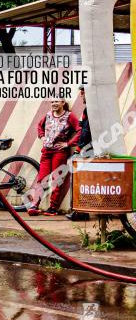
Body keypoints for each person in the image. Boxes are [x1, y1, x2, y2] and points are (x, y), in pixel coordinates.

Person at [27, 99, 80, 217]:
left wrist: (68, 143)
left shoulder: (69, 116)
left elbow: (80, 130)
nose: (54, 104)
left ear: (63, 103)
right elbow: (39, 127)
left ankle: (53, 208)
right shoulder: (48, 115)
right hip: (46, 152)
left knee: (56, 180)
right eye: (52, 102)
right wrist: (42, 137)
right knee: (42, 179)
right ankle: (34, 206)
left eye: (57, 101)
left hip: (59, 152)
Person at [68, 87, 91, 221]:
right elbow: (83, 131)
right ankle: (80, 211)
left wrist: (79, 150)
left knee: (82, 181)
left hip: (89, 151)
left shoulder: (91, 110)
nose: (81, 94)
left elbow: (86, 133)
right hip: (86, 150)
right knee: (83, 181)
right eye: (81, 91)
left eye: (84, 91)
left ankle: (81, 211)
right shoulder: (87, 109)